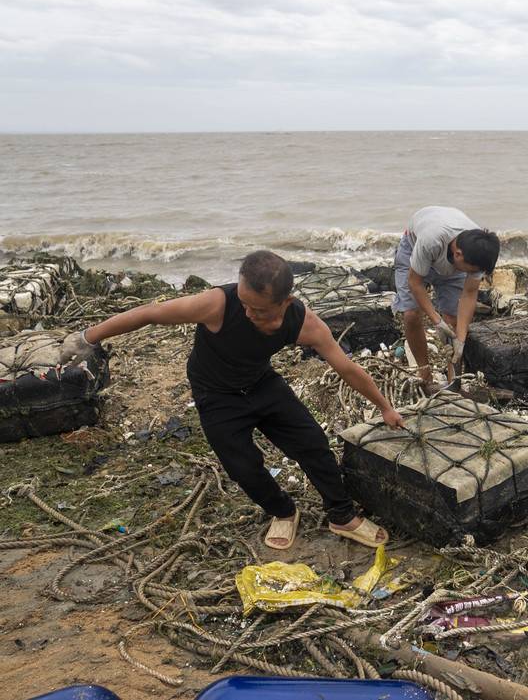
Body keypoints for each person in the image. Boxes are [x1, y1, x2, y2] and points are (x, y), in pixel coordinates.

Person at [60, 250, 404, 551]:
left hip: (261, 383)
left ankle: (341, 515)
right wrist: (87, 337)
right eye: (243, 303)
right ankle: (283, 511)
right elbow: (151, 313)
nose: (248, 312)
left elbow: (347, 367)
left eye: (258, 308)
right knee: (242, 465)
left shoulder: (305, 323)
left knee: (313, 443)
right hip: (216, 394)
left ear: (285, 301)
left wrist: (385, 407)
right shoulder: (216, 304)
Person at [391, 206, 500, 392]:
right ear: (458, 255)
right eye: (471, 271)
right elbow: (415, 283)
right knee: (411, 314)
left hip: (452, 256)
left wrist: (461, 339)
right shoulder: (431, 240)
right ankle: (424, 373)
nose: (473, 275)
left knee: (453, 320)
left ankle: (453, 381)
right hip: (414, 247)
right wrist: (436, 321)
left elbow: (469, 294)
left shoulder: (479, 253)